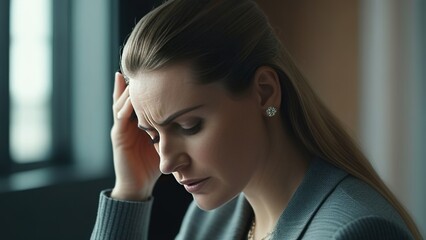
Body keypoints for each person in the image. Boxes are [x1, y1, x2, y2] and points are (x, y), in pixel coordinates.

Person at [91, 0, 422, 239]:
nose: (165, 162)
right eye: (153, 135)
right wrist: (130, 192)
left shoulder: (354, 231)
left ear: (264, 92)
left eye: (189, 126)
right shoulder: (213, 221)